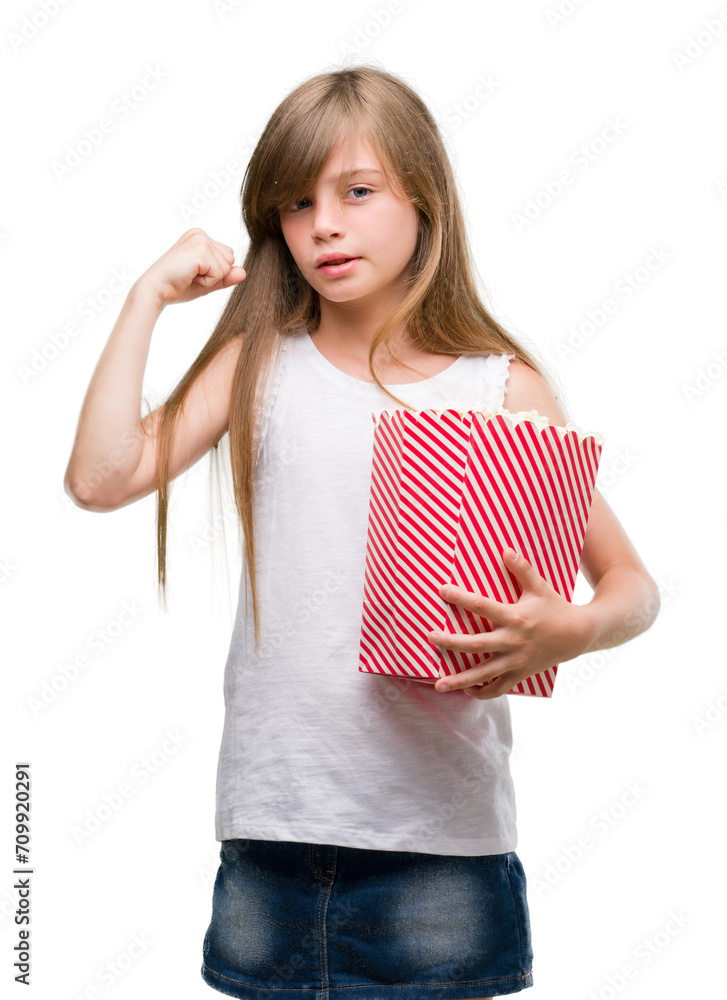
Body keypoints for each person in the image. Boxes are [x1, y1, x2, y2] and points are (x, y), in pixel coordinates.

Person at [63, 64, 660, 1000]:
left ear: (422, 197)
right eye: (296, 204)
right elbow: (99, 481)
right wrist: (146, 296)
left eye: (357, 191)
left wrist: (572, 628)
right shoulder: (255, 365)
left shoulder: (497, 389)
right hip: (271, 835)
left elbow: (631, 585)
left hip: (441, 848)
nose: (324, 225)